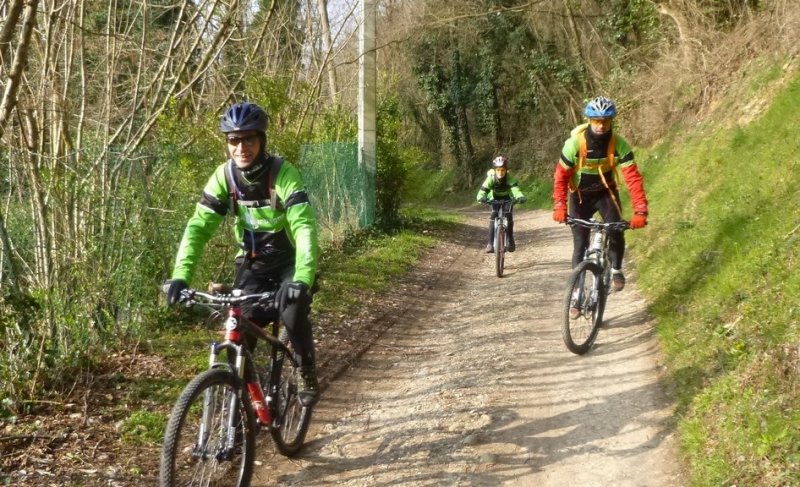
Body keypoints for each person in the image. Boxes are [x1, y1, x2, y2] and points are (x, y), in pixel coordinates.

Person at [165, 101, 321, 407]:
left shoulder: (282, 173)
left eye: (249, 139)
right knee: (237, 333)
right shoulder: (225, 177)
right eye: (233, 140)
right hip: (252, 264)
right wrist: (180, 277)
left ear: (262, 140)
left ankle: (306, 369)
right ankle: (240, 413)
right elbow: (198, 228)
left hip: (289, 264)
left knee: (291, 311)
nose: (241, 148)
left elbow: (304, 227)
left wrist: (302, 279)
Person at [552, 96, 648, 306]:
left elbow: (632, 178)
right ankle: (576, 292)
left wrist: (641, 210)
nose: (601, 125)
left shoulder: (619, 144)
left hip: (605, 194)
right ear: (589, 120)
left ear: (611, 121)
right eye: (596, 120)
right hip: (579, 197)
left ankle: (616, 269)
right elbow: (561, 176)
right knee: (580, 244)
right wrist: (559, 204)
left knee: (615, 229)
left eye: (605, 121)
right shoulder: (574, 144)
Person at [477, 155, 526, 253]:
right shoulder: (490, 178)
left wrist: (520, 197)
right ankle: (490, 244)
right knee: (494, 214)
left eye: (502, 170)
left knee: (508, 215)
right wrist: (481, 198)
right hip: (494, 198)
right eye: (498, 170)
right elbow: (482, 191)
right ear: (494, 170)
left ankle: (510, 240)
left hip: (507, 199)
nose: (500, 172)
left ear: (506, 170)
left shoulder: (510, 178)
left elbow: (516, 190)